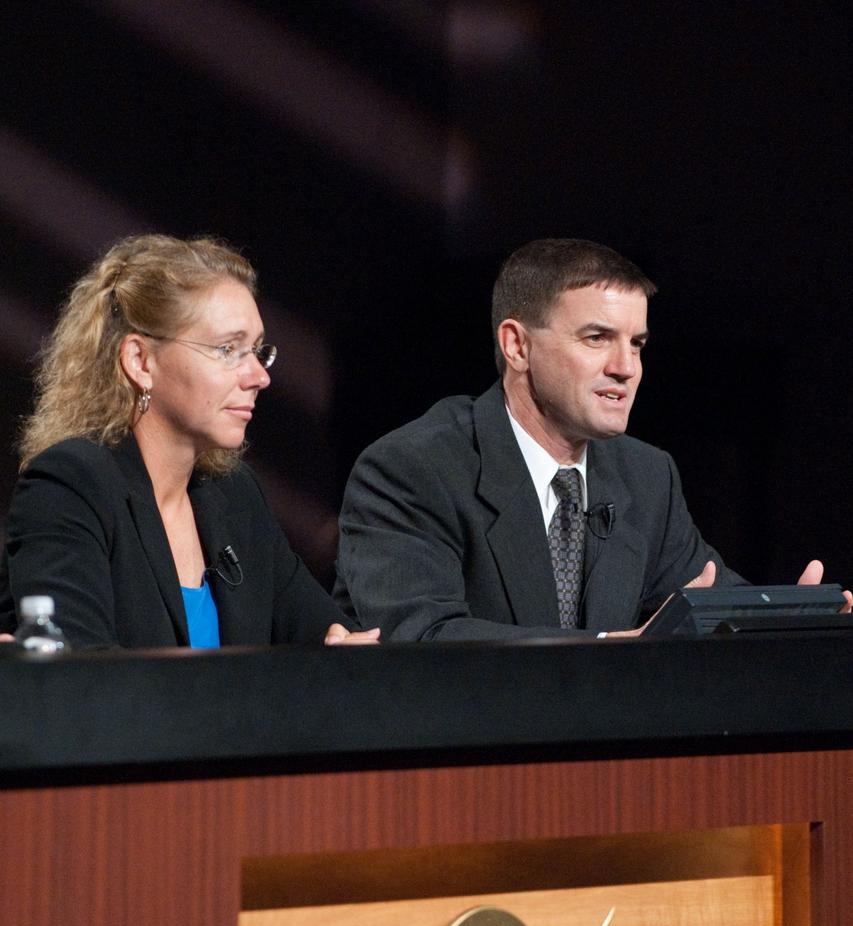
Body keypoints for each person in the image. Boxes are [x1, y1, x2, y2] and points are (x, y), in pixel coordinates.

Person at [334, 237, 847, 639]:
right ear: (517, 345)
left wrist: (788, 622)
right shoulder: (413, 469)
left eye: (638, 344)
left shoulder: (646, 477)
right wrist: (609, 648)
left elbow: (710, 603)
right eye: (597, 338)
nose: (626, 369)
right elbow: (422, 637)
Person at [0, 234, 378, 650]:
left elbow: (328, 635)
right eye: (228, 349)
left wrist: (345, 655)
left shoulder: (234, 495)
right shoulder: (70, 486)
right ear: (140, 361)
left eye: (256, 350)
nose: (259, 376)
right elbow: (83, 682)